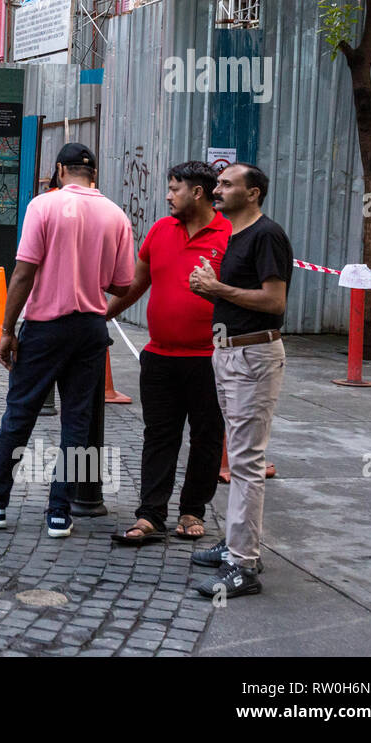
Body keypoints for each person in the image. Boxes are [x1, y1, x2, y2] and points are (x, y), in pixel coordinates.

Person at [0, 142, 135, 539]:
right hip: (91, 328)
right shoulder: (115, 214)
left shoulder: (44, 205)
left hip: (45, 328)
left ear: (60, 170)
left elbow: (23, 273)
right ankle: (60, 512)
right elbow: (122, 284)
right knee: (77, 422)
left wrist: (6, 330)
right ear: (94, 174)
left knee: (19, 415)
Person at [107, 161, 230, 545]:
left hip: (211, 358)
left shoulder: (230, 234)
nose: (167, 195)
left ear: (197, 192)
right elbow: (135, 284)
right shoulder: (161, 230)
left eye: (174, 189)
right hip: (159, 357)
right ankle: (150, 515)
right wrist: (99, 316)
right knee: (159, 436)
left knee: (207, 437)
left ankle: (193, 509)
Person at [187, 162, 293, 598]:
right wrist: (210, 288)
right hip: (230, 353)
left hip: (254, 355)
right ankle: (237, 544)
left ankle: (243, 565)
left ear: (252, 194)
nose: (218, 189)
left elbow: (274, 300)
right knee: (239, 458)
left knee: (247, 463)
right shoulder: (234, 234)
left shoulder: (267, 234)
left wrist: (218, 290)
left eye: (228, 184)